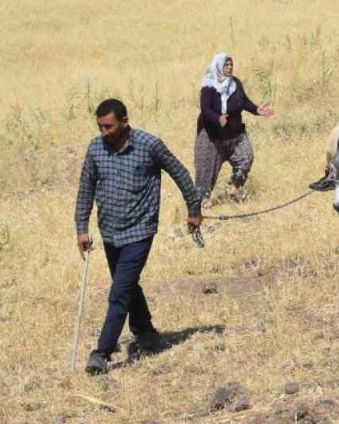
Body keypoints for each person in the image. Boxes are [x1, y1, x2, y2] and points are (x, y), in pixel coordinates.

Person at [75, 98, 202, 375]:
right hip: (109, 231)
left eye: (108, 126)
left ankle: (101, 352)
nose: (104, 132)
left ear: (124, 121)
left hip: (140, 230)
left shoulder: (149, 145)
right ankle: (145, 332)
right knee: (127, 286)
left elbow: (179, 172)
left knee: (119, 293)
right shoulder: (96, 148)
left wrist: (194, 209)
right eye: (100, 127)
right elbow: (86, 187)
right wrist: (82, 228)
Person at [196, 53, 274, 204]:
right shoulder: (209, 87)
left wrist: (257, 110)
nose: (230, 67)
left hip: (235, 135)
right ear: (218, 66)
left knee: (246, 158)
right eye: (226, 65)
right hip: (212, 139)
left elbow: (243, 102)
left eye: (231, 64)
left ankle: (233, 188)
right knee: (205, 176)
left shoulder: (235, 83)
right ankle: (201, 205)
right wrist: (218, 118)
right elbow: (205, 109)